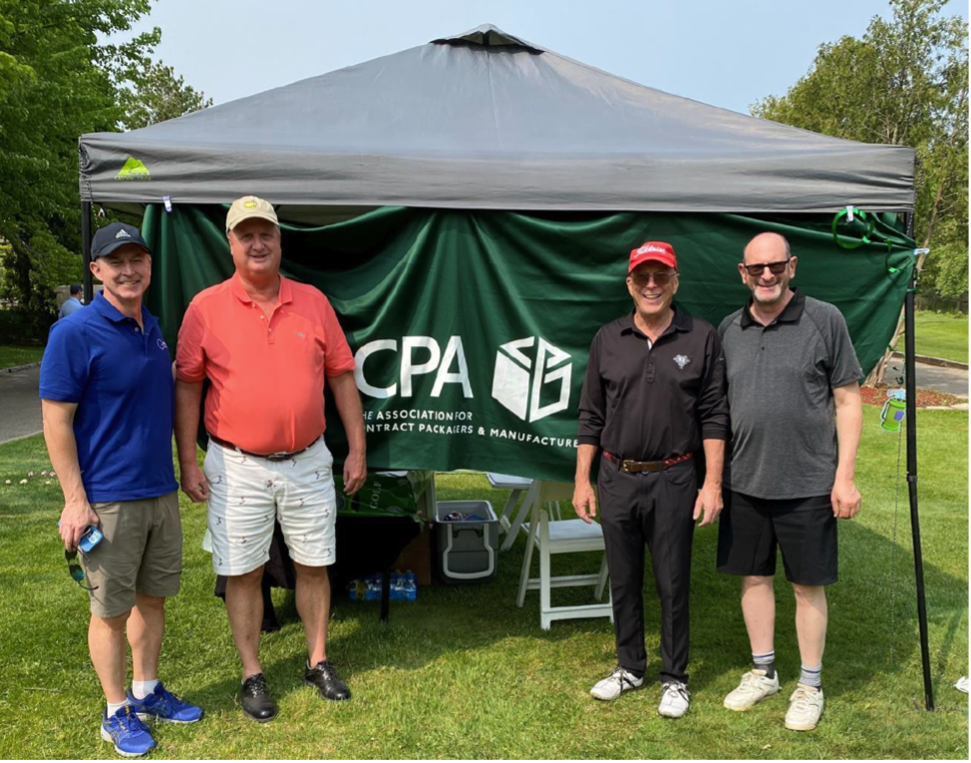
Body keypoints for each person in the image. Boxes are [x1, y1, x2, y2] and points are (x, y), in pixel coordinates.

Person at [175, 196, 367, 723]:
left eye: (266, 234)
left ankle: (318, 660)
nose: (257, 244)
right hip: (236, 464)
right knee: (243, 571)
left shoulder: (313, 301)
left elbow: (341, 376)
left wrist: (357, 447)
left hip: (308, 459)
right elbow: (187, 386)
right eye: (246, 235)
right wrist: (187, 461)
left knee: (314, 563)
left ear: (280, 241)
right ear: (230, 244)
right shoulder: (205, 308)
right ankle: (251, 672)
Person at [40, 223, 202, 758]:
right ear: (96, 271)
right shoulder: (75, 333)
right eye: (116, 262)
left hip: (158, 491)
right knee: (110, 612)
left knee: (152, 599)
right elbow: (56, 422)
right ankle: (116, 713)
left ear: (149, 266)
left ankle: (146, 691)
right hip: (107, 499)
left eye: (138, 260)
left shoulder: (153, 328)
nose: (129, 270)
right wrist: (75, 499)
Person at [574, 241, 729, 719]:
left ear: (675, 282)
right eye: (642, 276)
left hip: (674, 476)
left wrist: (712, 484)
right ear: (629, 284)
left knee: (672, 582)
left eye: (661, 276)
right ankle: (629, 667)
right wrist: (582, 481)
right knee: (623, 579)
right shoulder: (608, 338)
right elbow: (590, 415)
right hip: (616, 475)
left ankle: (675, 677)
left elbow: (714, 415)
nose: (651, 285)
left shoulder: (701, 336)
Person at [718, 232, 864, 732]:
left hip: (808, 482)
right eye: (757, 268)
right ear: (743, 273)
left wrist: (844, 478)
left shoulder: (825, 319)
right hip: (744, 480)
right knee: (753, 578)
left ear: (792, 266)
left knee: (807, 586)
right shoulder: (729, 329)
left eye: (775, 266)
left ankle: (809, 685)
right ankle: (763, 673)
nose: (767, 275)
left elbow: (847, 400)